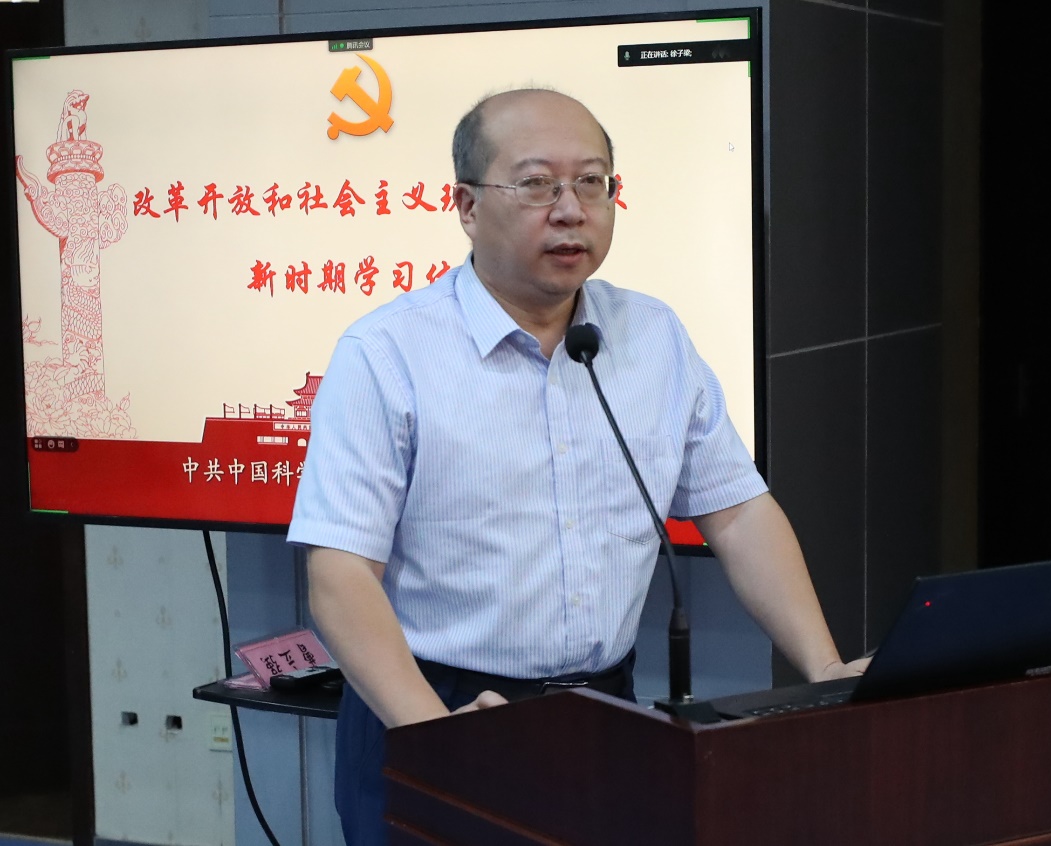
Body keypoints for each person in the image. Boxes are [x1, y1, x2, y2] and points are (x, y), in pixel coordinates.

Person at [287, 88, 863, 846]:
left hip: (602, 713)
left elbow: (737, 510)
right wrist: (439, 737)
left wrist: (825, 668)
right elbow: (338, 573)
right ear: (466, 206)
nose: (570, 210)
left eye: (592, 182)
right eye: (536, 184)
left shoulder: (651, 336)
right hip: (435, 707)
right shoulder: (387, 355)